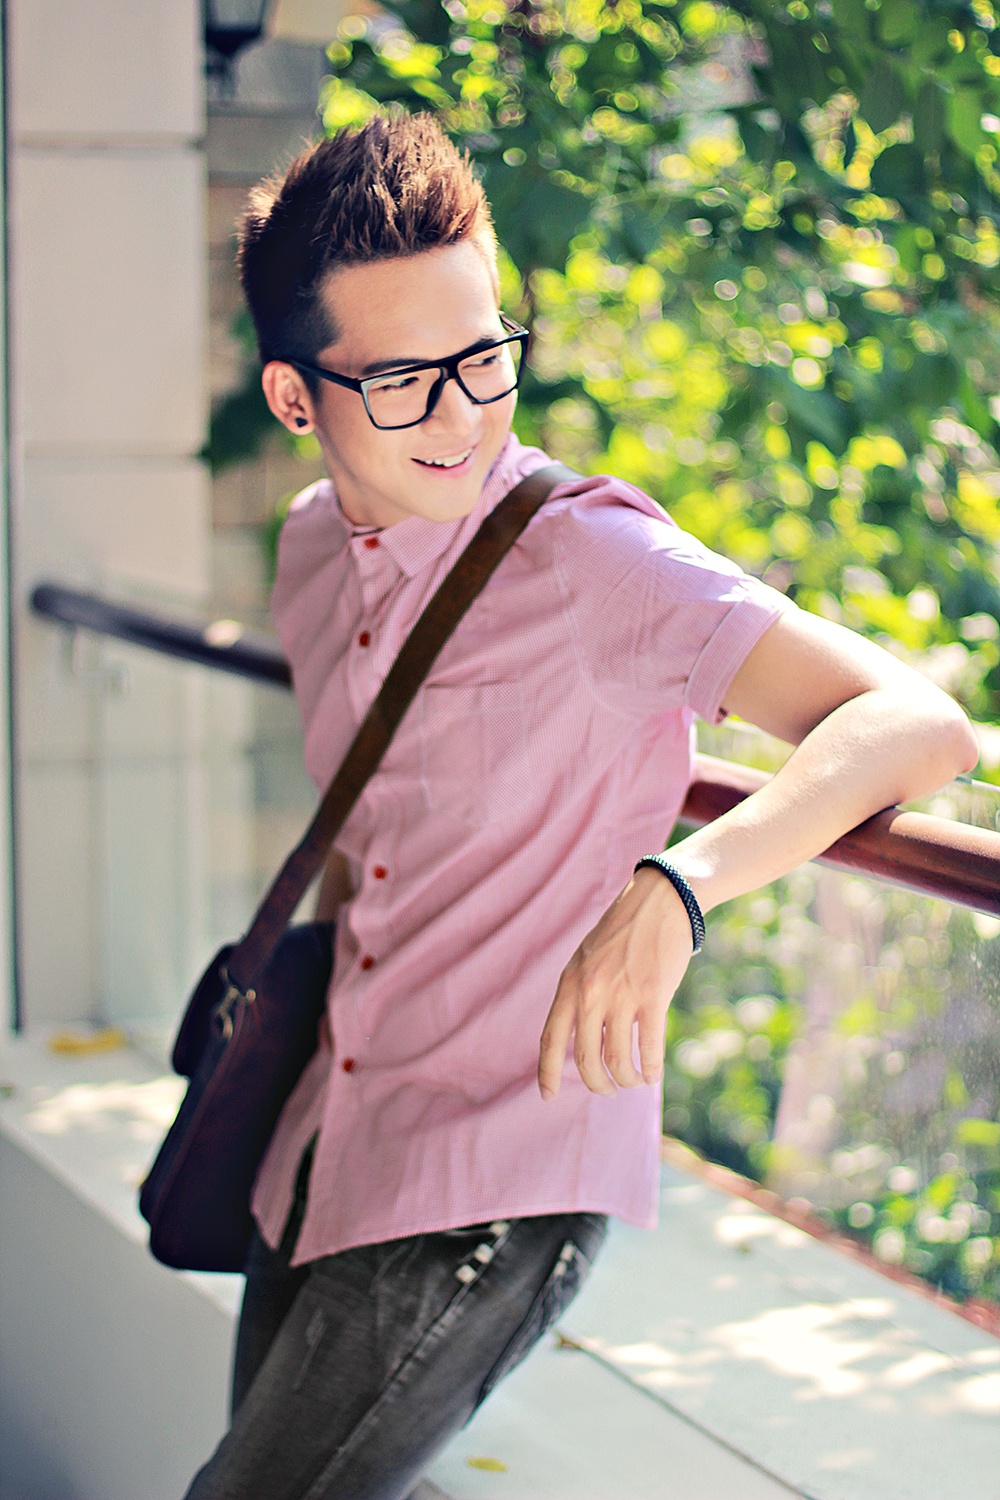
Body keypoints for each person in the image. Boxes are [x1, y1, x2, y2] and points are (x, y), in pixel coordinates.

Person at [183, 112, 978, 1500]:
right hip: (324, 1132)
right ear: (296, 399)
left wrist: (682, 885)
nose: (462, 416)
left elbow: (919, 724)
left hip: (494, 1183)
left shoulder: (588, 558)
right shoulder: (312, 550)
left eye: (483, 356)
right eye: (402, 380)